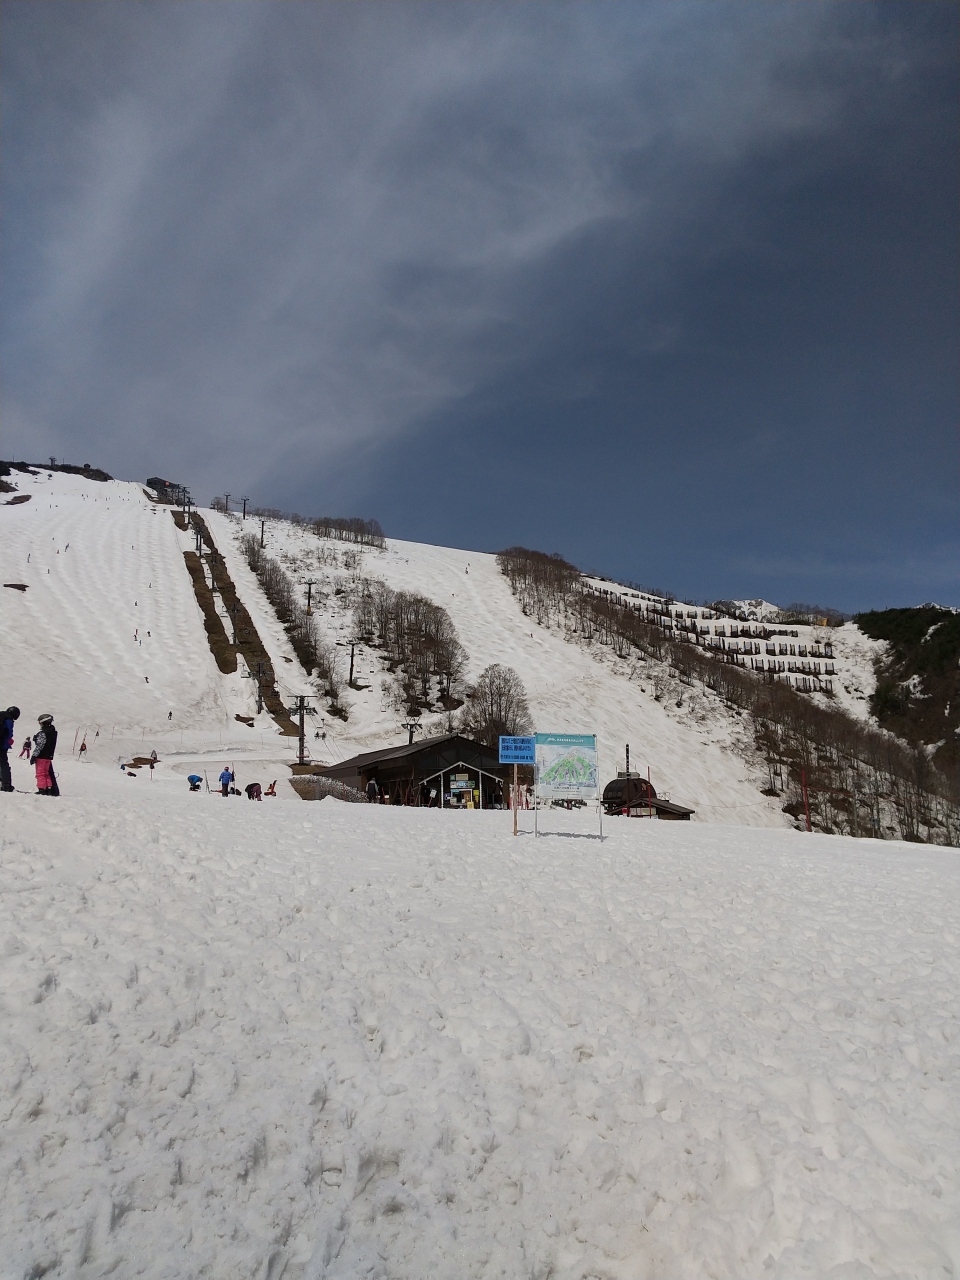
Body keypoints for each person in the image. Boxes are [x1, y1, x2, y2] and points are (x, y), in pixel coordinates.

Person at [31, 714, 59, 796]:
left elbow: (40, 745)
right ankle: (49, 788)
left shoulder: (43, 733)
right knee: (46, 773)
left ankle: (42, 789)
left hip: (41, 756)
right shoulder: (53, 732)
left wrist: (34, 756)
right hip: (48, 756)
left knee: (40, 773)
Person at [1, 706, 20, 792]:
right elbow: (9, 732)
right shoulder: (8, 719)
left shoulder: (1, 715)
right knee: (4, 764)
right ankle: (6, 784)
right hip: (2, 744)